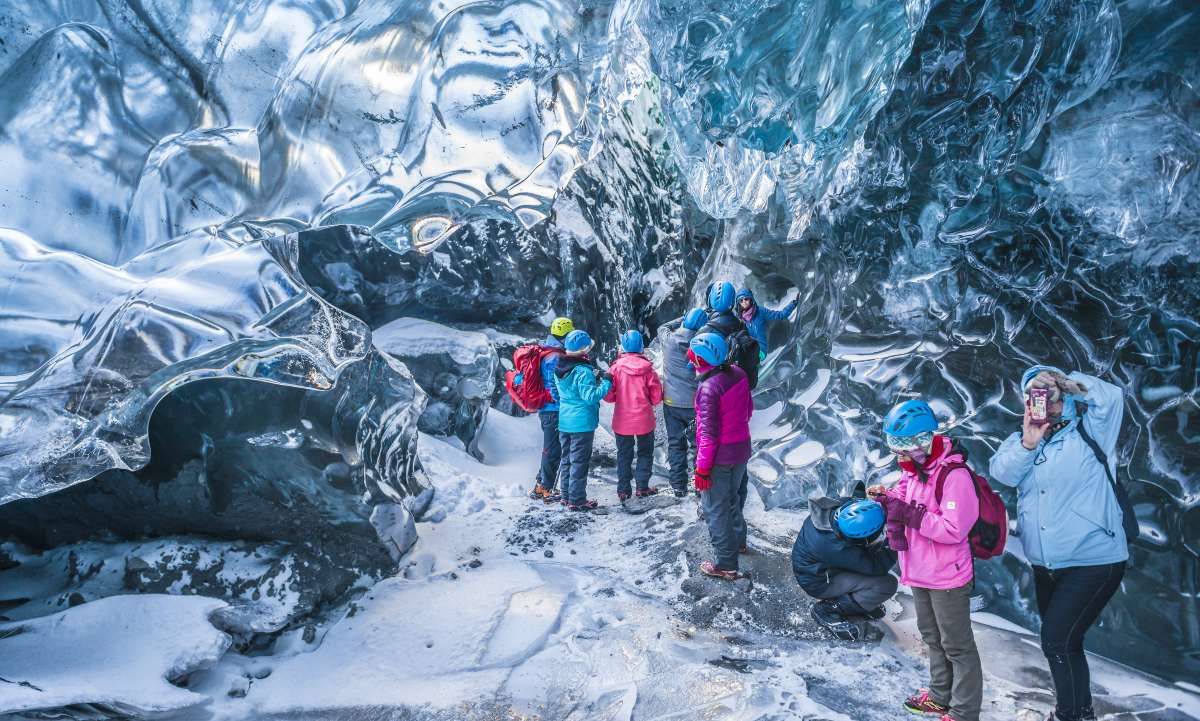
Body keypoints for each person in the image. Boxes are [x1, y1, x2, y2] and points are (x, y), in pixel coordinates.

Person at [989, 366, 1128, 721]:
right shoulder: (1022, 438)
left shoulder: (1091, 429)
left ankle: (1069, 716)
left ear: (1062, 394)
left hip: (1094, 559)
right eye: (1034, 393)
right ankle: (1081, 713)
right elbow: (1001, 472)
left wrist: (1070, 383)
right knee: (1065, 644)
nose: (1044, 400)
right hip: (1046, 564)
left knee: (1056, 641)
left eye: (1049, 391)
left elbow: (1111, 398)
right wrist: (1028, 442)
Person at [868, 399, 982, 721]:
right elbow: (906, 502)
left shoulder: (955, 475)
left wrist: (909, 514)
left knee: (957, 645)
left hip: (947, 576)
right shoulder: (914, 470)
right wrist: (889, 499)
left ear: (923, 440)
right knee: (932, 637)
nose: (899, 455)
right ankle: (938, 696)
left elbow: (953, 529)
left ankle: (963, 712)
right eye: (896, 447)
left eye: (904, 447)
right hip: (919, 570)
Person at [689, 332, 753, 580]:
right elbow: (748, 409)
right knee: (732, 500)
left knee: (715, 509)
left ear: (700, 359)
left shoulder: (708, 388)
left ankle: (726, 564)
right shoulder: (738, 372)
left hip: (718, 457)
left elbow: (708, 434)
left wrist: (702, 469)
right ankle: (738, 542)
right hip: (741, 448)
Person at [791, 497, 897, 641]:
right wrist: (893, 542)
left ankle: (856, 602)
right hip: (818, 581)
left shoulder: (835, 512)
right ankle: (828, 609)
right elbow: (877, 567)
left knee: (870, 568)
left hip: (818, 568)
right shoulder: (834, 546)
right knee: (885, 585)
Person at [554, 329, 612, 511]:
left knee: (566, 459)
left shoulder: (560, 366)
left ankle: (565, 495)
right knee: (579, 461)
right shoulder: (582, 370)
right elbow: (590, 397)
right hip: (581, 423)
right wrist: (606, 383)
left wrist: (590, 378)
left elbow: (569, 390)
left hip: (565, 420)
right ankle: (577, 500)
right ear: (584, 350)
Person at [605, 330, 663, 501]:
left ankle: (623, 490)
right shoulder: (648, 369)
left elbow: (608, 396)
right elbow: (656, 397)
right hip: (644, 420)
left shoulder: (615, 368)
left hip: (622, 421)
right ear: (641, 347)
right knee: (645, 452)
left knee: (624, 454)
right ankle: (642, 487)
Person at [662, 307, 707, 497]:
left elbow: (662, 327)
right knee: (698, 445)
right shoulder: (701, 346)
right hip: (693, 404)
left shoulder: (668, 340)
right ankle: (699, 486)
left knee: (675, 444)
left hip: (671, 402)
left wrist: (683, 318)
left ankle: (678, 486)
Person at [528, 317, 573, 503]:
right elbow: (555, 386)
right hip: (553, 409)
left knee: (551, 448)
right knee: (552, 450)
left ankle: (540, 486)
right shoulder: (555, 357)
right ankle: (547, 488)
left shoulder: (547, 350)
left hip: (547, 409)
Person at [700, 281, 761, 389]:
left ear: (710, 300)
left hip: (715, 391)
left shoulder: (704, 330)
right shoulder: (741, 325)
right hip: (738, 387)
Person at [734, 288, 797, 357]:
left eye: (746, 299)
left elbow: (780, 315)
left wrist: (793, 304)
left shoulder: (761, 312)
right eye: (741, 300)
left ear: (750, 299)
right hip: (750, 348)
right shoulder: (741, 317)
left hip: (761, 350)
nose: (744, 302)